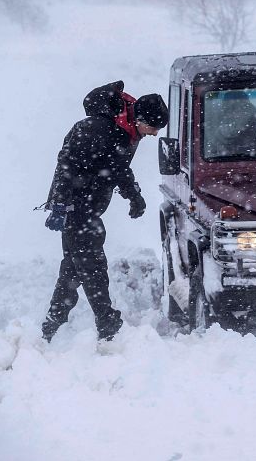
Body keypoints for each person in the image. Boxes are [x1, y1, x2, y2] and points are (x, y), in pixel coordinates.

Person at [41, 81, 168, 342]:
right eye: (153, 128)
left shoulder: (124, 131)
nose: (154, 134)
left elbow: (118, 167)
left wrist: (135, 197)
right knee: (92, 265)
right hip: (77, 209)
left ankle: (50, 327)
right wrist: (60, 205)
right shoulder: (97, 129)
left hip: (87, 208)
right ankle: (106, 322)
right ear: (142, 119)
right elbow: (66, 165)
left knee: (74, 268)